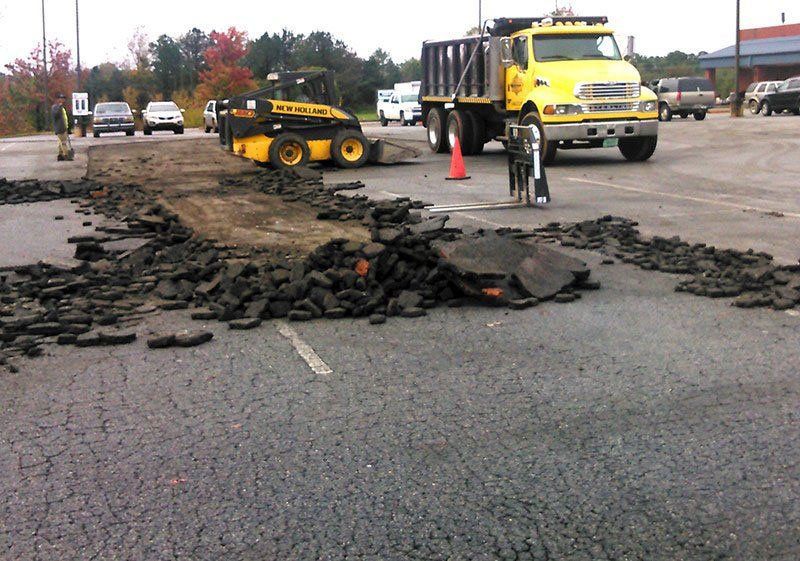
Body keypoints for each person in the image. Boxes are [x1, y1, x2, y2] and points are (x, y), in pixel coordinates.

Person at [51, 93, 73, 161]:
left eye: (64, 99)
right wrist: (59, 107)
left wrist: (68, 127)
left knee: (61, 141)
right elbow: (55, 115)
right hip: (59, 128)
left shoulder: (62, 108)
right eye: (61, 99)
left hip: (64, 127)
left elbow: (65, 118)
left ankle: (60, 155)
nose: (63, 100)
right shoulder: (55, 107)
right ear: (58, 99)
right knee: (63, 142)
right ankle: (66, 155)